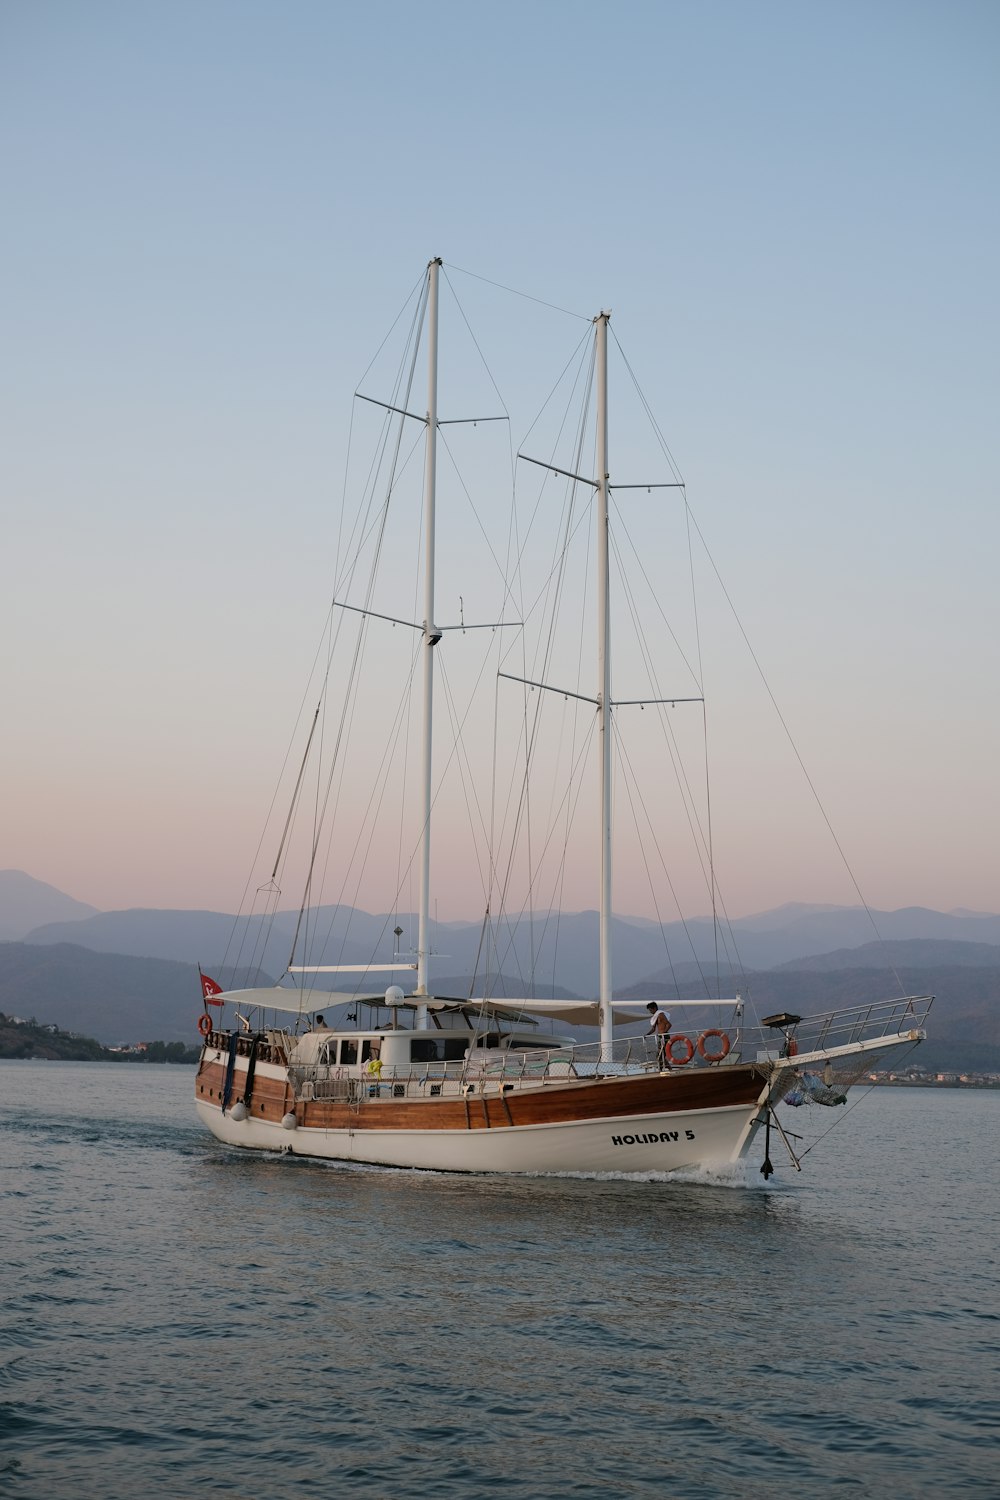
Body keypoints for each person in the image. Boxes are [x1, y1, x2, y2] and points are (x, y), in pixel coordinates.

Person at [646, 1001, 672, 1070]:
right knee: (660, 1054)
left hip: (664, 1036)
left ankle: (664, 1069)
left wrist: (664, 1032)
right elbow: (653, 1029)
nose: (650, 1012)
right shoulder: (655, 1017)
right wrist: (647, 1035)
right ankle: (667, 1068)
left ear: (654, 1008)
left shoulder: (661, 1015)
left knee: (660, 1055)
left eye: (651, 1010)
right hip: (660, 1037)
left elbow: (669, 1024)